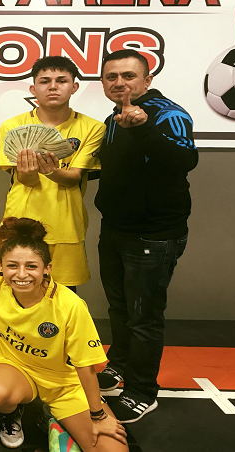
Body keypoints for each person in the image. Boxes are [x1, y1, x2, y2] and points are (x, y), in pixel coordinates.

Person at [0, 218, 128, 452]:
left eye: (31, 266)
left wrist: (98, 415)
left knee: (113, 450)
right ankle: (13, 410)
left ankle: (54, 417)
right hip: (14, 368)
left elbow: (85, 366)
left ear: (47, 268)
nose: (21, 274)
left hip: (62, 384)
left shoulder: (69, 305)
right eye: (12, 265)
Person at [95, 49, 197, 423]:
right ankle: (120, 364)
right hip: (115, 229)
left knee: (144, 317)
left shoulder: (169, 114)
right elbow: (114, 168)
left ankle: (142, 391)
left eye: (128, 76)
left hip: (153, 236)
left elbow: (185, 160)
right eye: (111, 77)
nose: (119, 82)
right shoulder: (112, 119)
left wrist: (142, 128)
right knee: (119, 307)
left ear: (147, 80)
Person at [0, 56, 105, 294]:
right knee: (17, 290)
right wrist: (30, 173)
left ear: (74, 87)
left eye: (61, 81)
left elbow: (74, 178)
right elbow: (23, 180)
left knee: (63, 294)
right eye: (45, 81)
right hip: (21, 221)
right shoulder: (12, 126)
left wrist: (52, 171)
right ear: (33, 89)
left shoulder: (93, 128)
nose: (53, 87)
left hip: (66, 224)